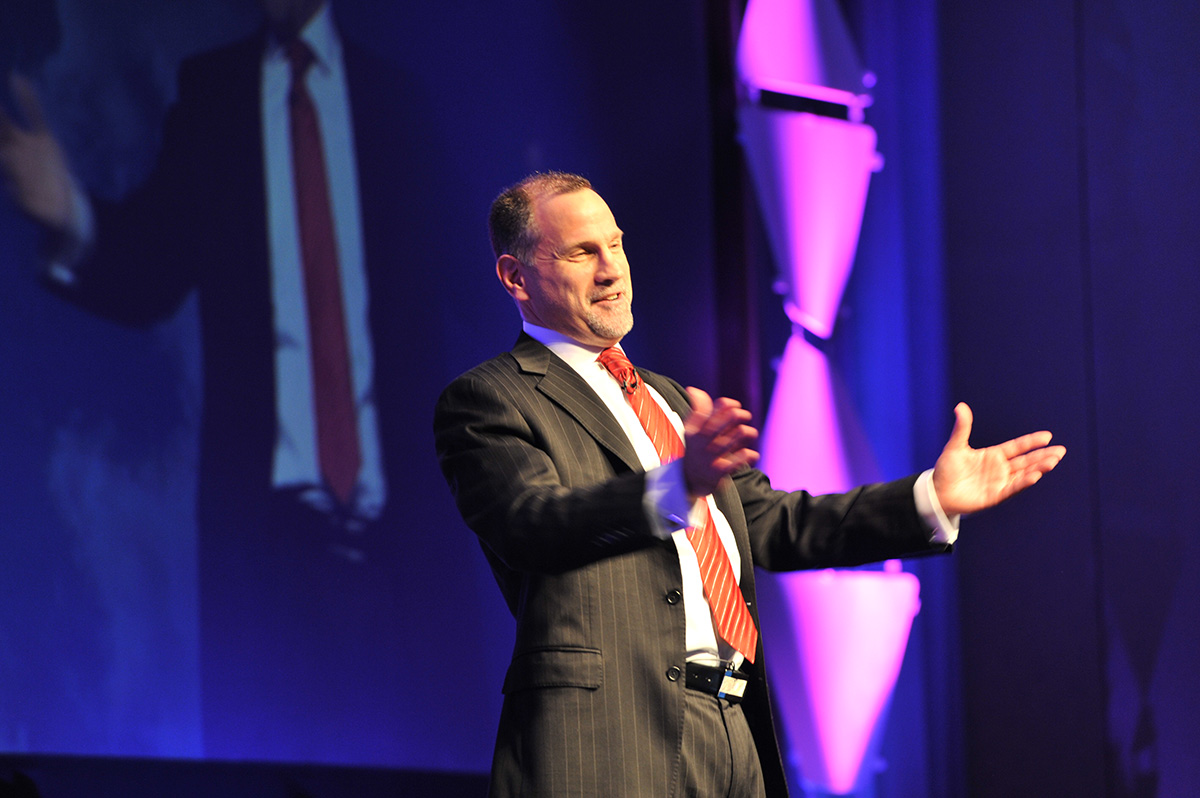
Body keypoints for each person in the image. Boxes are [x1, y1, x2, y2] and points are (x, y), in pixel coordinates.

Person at [433, 171, 1066, 797]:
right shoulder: (492, 399)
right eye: (581, 252)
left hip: (734, 731)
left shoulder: (671, 400)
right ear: (516, 277)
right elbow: (534, 525)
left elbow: (771, 524)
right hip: (608, 741)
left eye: (617, 244)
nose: (611, 269)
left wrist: (929, 499)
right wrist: (677, 486)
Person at [0, 0, 438, 761]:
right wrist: (65, 207)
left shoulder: (397, 98)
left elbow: (470, 281)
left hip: (403, 549)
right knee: (259, 756)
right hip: (264, 548)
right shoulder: (214, 94)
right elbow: (150, 270)